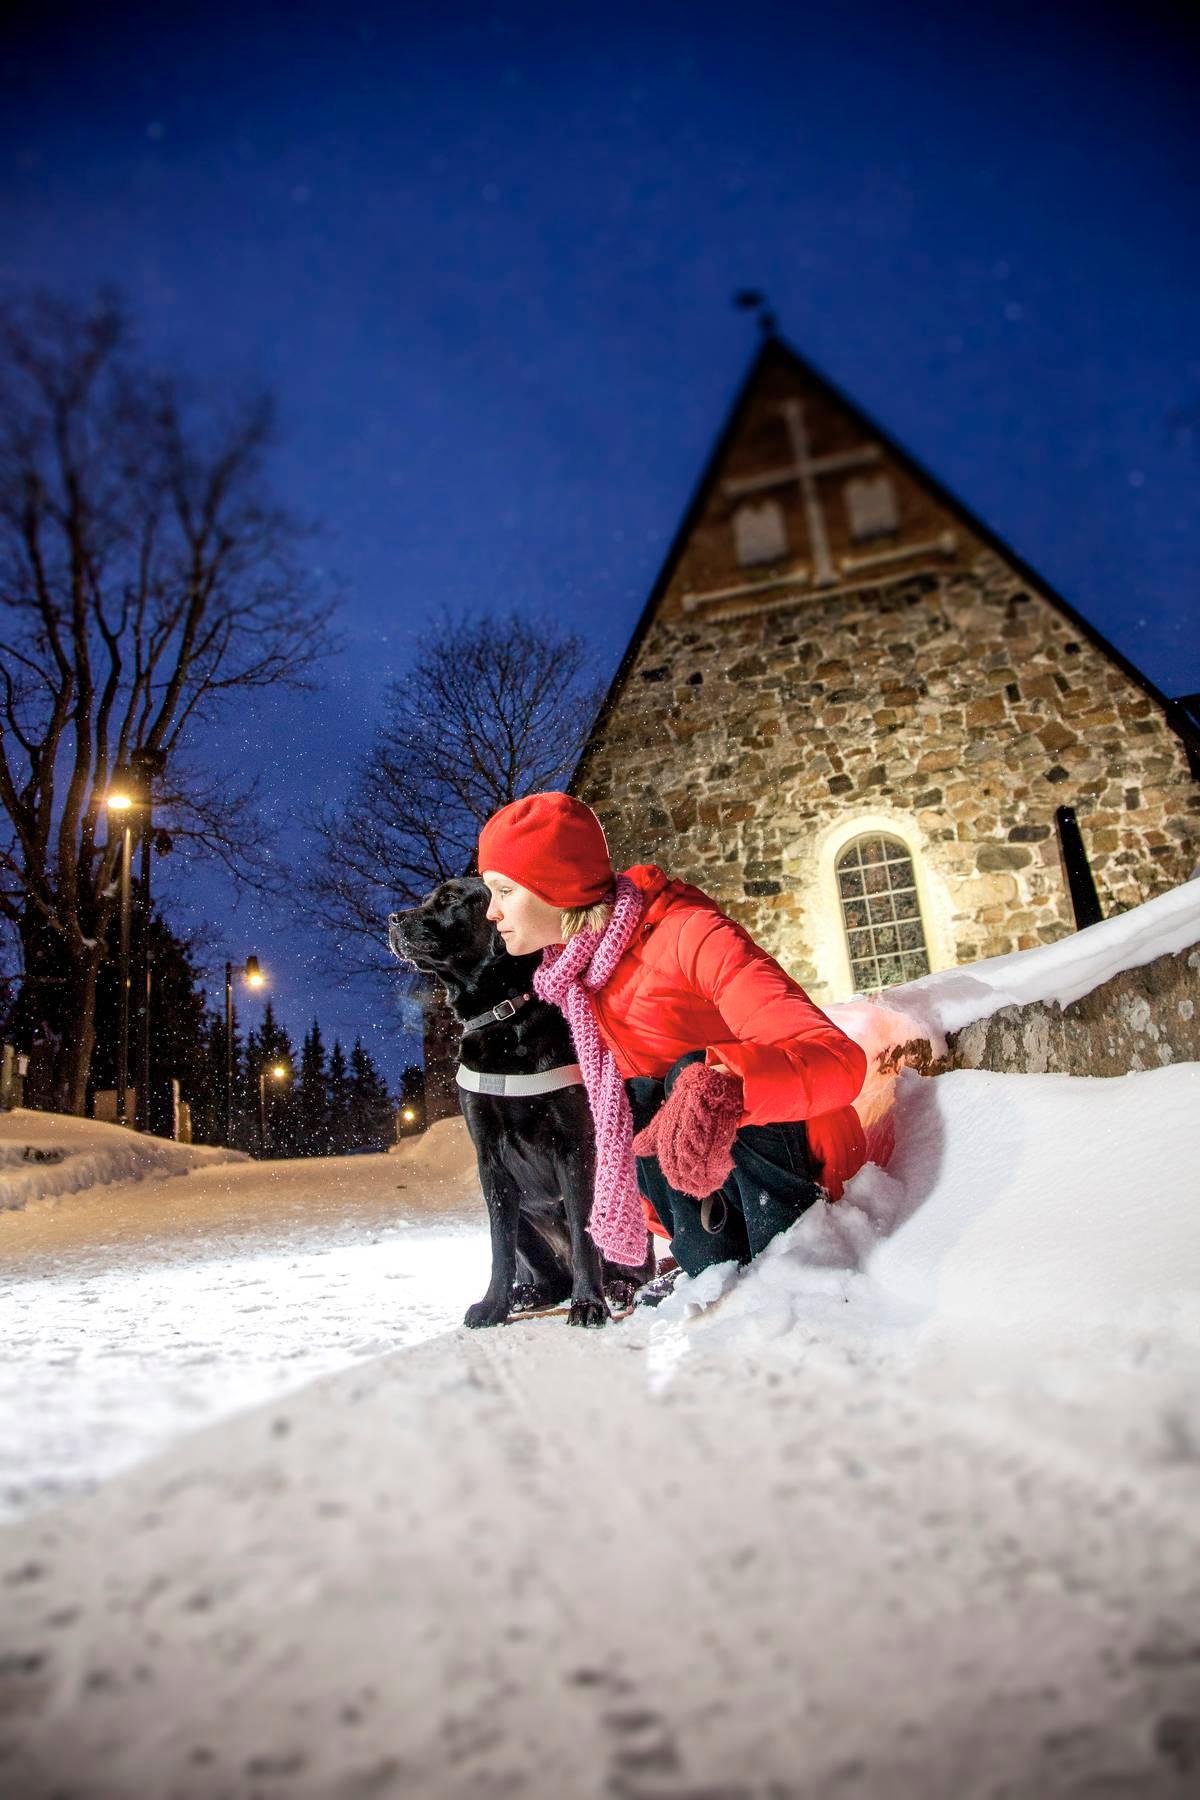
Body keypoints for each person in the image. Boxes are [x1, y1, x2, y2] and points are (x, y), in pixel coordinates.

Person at [476, 792, 869, 1300]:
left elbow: (838, 1060)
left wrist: (731, 1085)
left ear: (558, 890)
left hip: (802, 1177)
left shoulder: (690, 935)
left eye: (505, 891)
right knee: (631, 1098)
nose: (491, 911)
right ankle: (711, 1272)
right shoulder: (572, 982)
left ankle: (783, 1270)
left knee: (689, 1074)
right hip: (707, 1199)